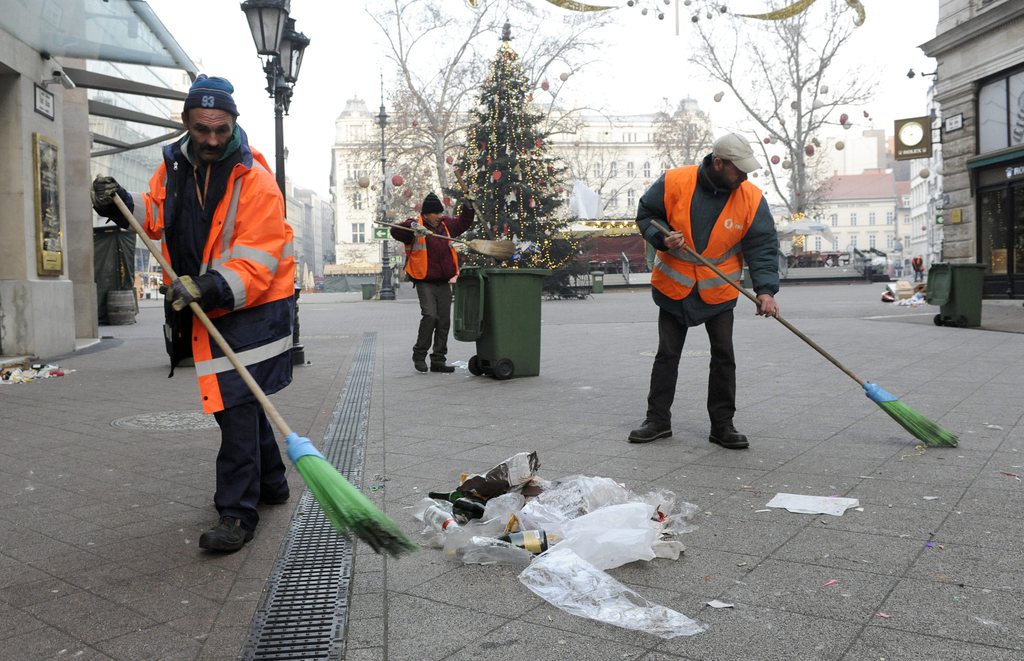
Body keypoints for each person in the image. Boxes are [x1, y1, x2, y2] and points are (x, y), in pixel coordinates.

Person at [90, 75, 295, 552]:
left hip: (252, 306)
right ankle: (272, 482)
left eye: (220, 129)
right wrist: (121, 202)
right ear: (185, 123)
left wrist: (208, 285)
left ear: (233, 125)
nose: (210, 139)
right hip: (204, 301)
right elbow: (156, 213)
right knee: (242, 401)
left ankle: (237, 512)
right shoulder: (174, 168)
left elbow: (258, 258)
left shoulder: (257, 182)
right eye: (202, 128)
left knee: (234, 405)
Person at [629, 133, 780, 450]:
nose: (743, 177)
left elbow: (763, 246)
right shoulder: (675, 181)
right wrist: (663, 238)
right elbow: (646, 215)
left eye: (746, 171)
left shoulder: (751, 198)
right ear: (718, 162)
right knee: (667, 355)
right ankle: (657, 421)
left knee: (724, 356)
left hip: (720, 289)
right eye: (737, 170)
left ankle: (723, 426)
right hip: (675, 285)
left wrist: (766, 291)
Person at [392, 192, 475, 373]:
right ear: (426, 214)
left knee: (444, 321)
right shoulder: (416, 226)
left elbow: (463, 222)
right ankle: (419, 354)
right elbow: (395, 230)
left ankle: (438, 360)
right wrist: (414, 227)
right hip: (424, 280)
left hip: (444, 281)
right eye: (436, 213)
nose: (439, 216)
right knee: (430, 316)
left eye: (440, 213)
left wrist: (468, 207)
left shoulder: (446, 225)